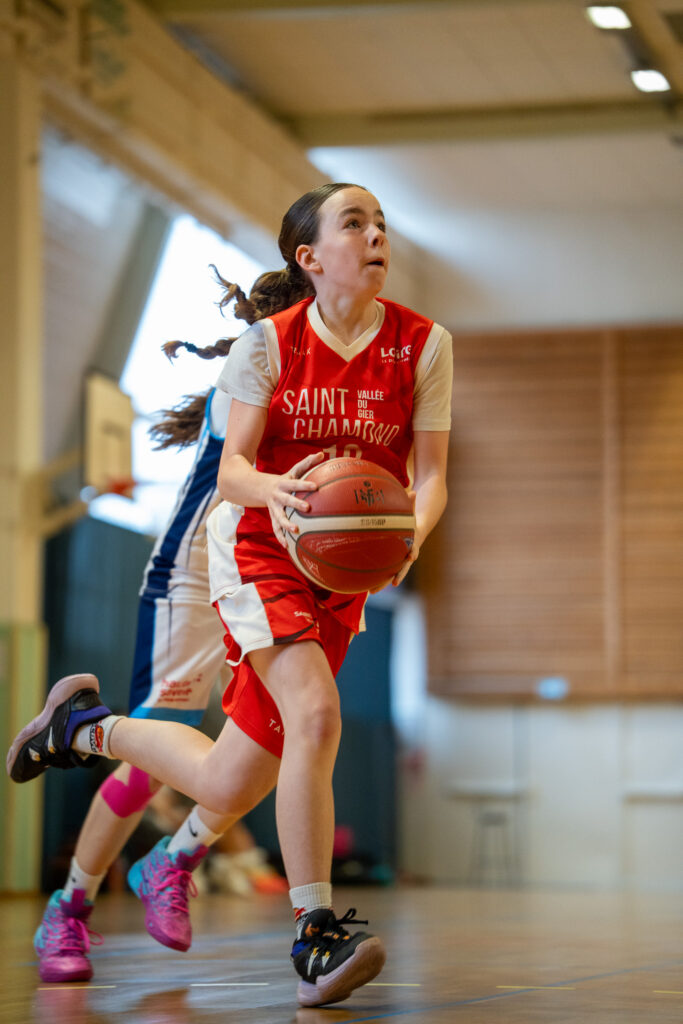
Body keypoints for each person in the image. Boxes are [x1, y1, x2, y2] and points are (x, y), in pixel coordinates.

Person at [7, 182, 452, 1007]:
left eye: (380, 224)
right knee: (274, 723)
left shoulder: (413, 346)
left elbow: (427, 479)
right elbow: (236, 477)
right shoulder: (267, 351)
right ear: (308, 263)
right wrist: (286, 499)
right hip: (208, 559)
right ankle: (74, 907)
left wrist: (407, 535)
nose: (375, 237)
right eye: (354, 224)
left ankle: (157, 829)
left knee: (245, 769)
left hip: (323, 565)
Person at [32, 337, 283, 985]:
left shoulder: (342, 384)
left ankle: (174, 858)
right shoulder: (259, 365)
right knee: (149, 765)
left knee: (275, 740)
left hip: (265, 581)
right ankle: (69, 908)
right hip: (194, 578)